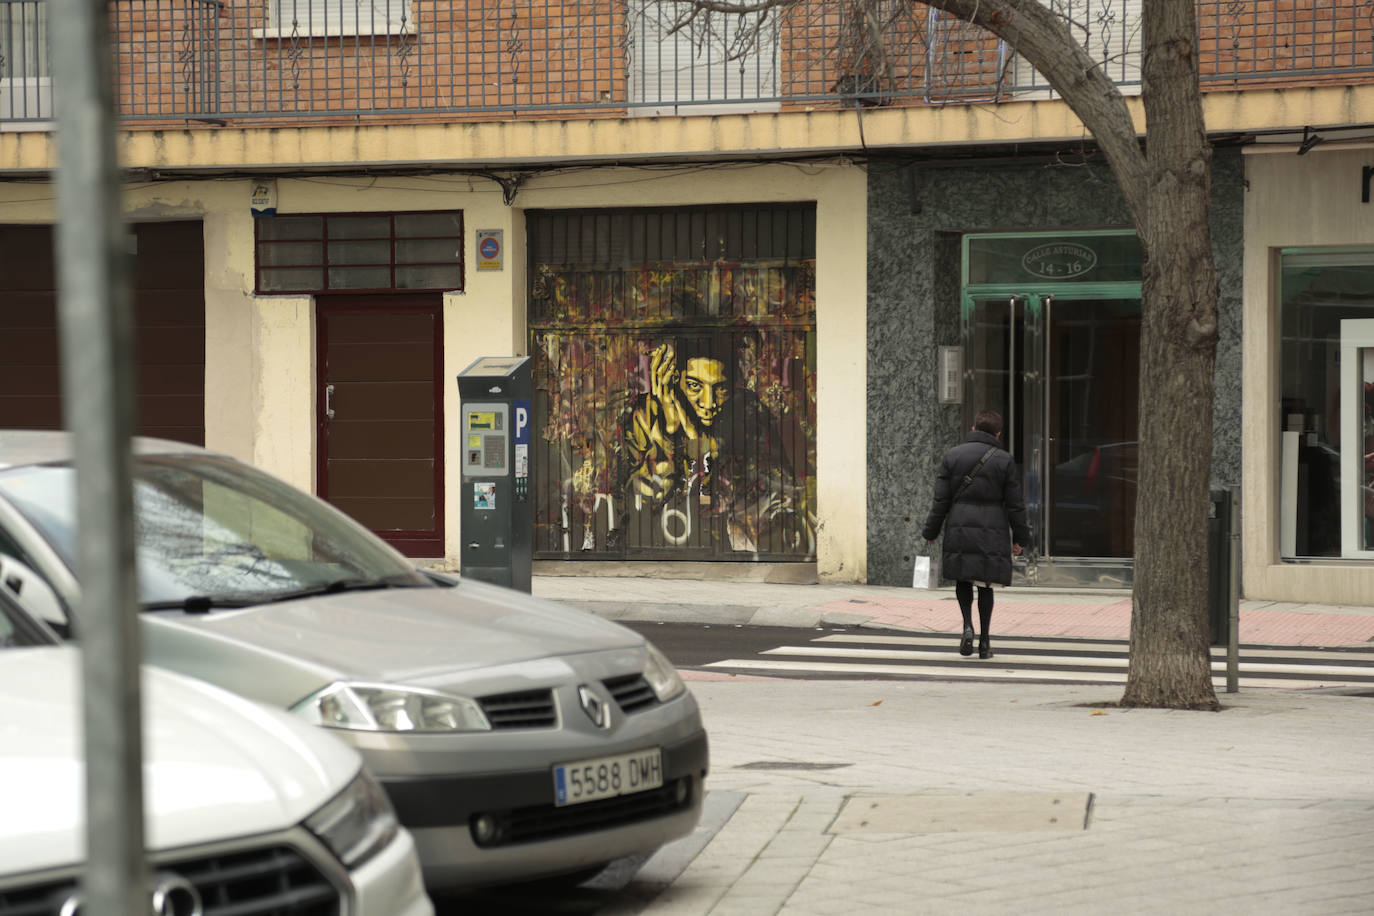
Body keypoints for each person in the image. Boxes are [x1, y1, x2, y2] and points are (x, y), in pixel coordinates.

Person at [922, 409, 1030, 659]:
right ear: (998, 433)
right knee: (985, 584)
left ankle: (967, 626)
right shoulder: (1004, 460)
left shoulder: (953, 456)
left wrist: (931, 530)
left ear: (972, 429)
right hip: (992, 528)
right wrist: (1021, 539)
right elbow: (1015, 504)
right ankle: (985, 641)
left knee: (963, 579)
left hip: (959, 524)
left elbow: (941, 500)